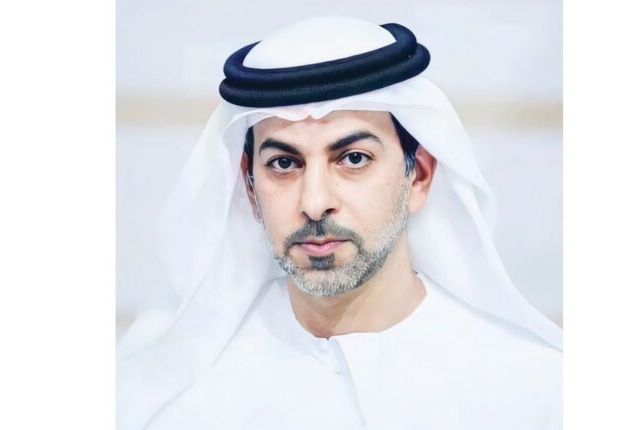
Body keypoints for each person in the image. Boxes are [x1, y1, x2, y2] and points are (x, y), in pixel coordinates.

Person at [117, 16, 562, 430]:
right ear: (250, 188)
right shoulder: (169, 400)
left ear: (420, 175)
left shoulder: (535, 393)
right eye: (284, 163)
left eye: (353, 159)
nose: (315, 203)